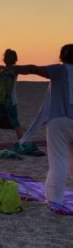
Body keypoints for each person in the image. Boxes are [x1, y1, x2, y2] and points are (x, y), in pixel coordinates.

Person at [13, 44, 73, 207]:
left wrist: (13, 68)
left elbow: (33, 69)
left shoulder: (58, 70)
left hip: (59, 122)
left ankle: (54, 199)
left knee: (59, 161)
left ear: (61, 57)